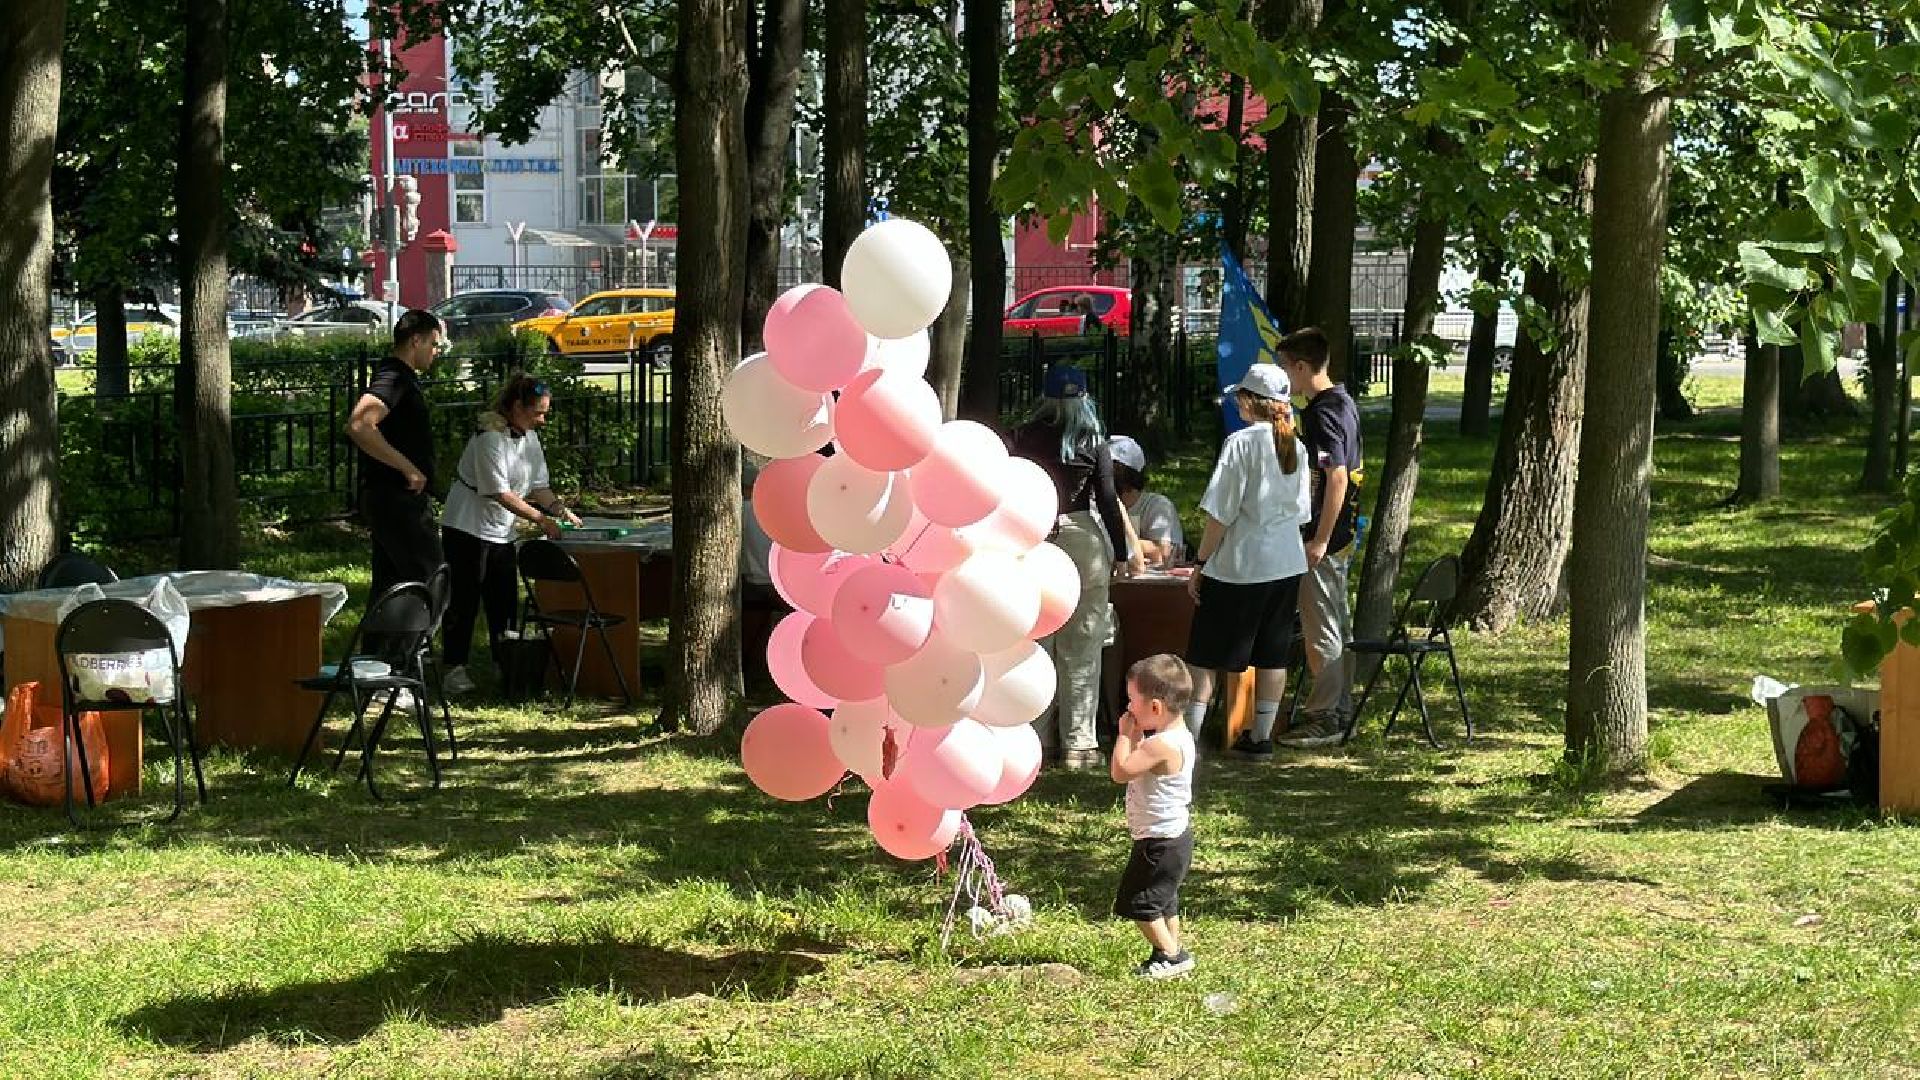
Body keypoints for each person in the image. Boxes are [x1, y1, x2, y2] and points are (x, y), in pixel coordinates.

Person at [1009, 364, 1145, 769]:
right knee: (1082, 646)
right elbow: (1106, 498)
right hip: (1082, 538)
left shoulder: (1022, 436)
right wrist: (1121, 553)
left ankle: (1035, 738)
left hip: (1034, 539)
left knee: (1036, 645)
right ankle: (1079, 746)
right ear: (1084, 397)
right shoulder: (1094, 441)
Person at [1184, 362, 1311, 759]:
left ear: (1250, 401)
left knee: (1205, 654)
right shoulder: (1297, 446)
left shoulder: (1240, 444)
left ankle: (1189, 739)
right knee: (1273, 654)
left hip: (1239, 566)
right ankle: (1261, 736)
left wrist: (1201, 561)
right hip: (1286, 563)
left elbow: (1220, 512)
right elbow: (1302, 512)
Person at [438, 373, 581, 694]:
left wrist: (560, 510)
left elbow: (539, 486)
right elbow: (498, 492)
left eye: (545, 412)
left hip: (502, 531)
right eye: (537, 413)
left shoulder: (528, 437)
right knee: (465, 600)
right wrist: (542, 521)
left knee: (503, 602)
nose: (542, 420)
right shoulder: (489, 438)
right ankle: (454, 668)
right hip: (467, 528)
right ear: (517, 407)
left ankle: (507, 662)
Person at [1274, 328, 1364, 749]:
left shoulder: (1324, 412)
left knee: (1321, 627)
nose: (1283, 378)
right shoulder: (1341, 402)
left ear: (1302, 367)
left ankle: (1326, 716)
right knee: (1333, 622)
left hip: (1325, 537)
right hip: (1339, 533)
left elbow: (1337, 476)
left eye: (1284, 369)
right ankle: (1340, 709)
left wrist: (1320, 538)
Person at [347, 308, 449, 629]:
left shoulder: (400, 378)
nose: (436, 351)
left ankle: (376, 667)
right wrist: (410, 469)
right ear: (415, 340)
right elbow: (360, 425)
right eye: (434, 344)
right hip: (397, 499)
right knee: (430, 582)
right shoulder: (394, 377)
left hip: (389, 498)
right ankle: (403, 663)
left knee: (390, 587)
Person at [1110, 652, 1198, 979]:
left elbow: (1121, 771)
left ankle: (1173, 956)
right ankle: (1167, 952)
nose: (1129, 707)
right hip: (1173, 839)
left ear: (1156, 707)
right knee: (1164, 902)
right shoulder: (1179, 736)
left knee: (1140, 904)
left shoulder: (1159, 745)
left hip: (1158, 842)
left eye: (1133, 700)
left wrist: (1124, 735)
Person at [1107, 435, 1185, 567]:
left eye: (1110, 467)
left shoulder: (1158, 506)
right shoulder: (1095, 506)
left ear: (1126, 471)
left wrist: (1109, 543)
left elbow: (1163, 553)